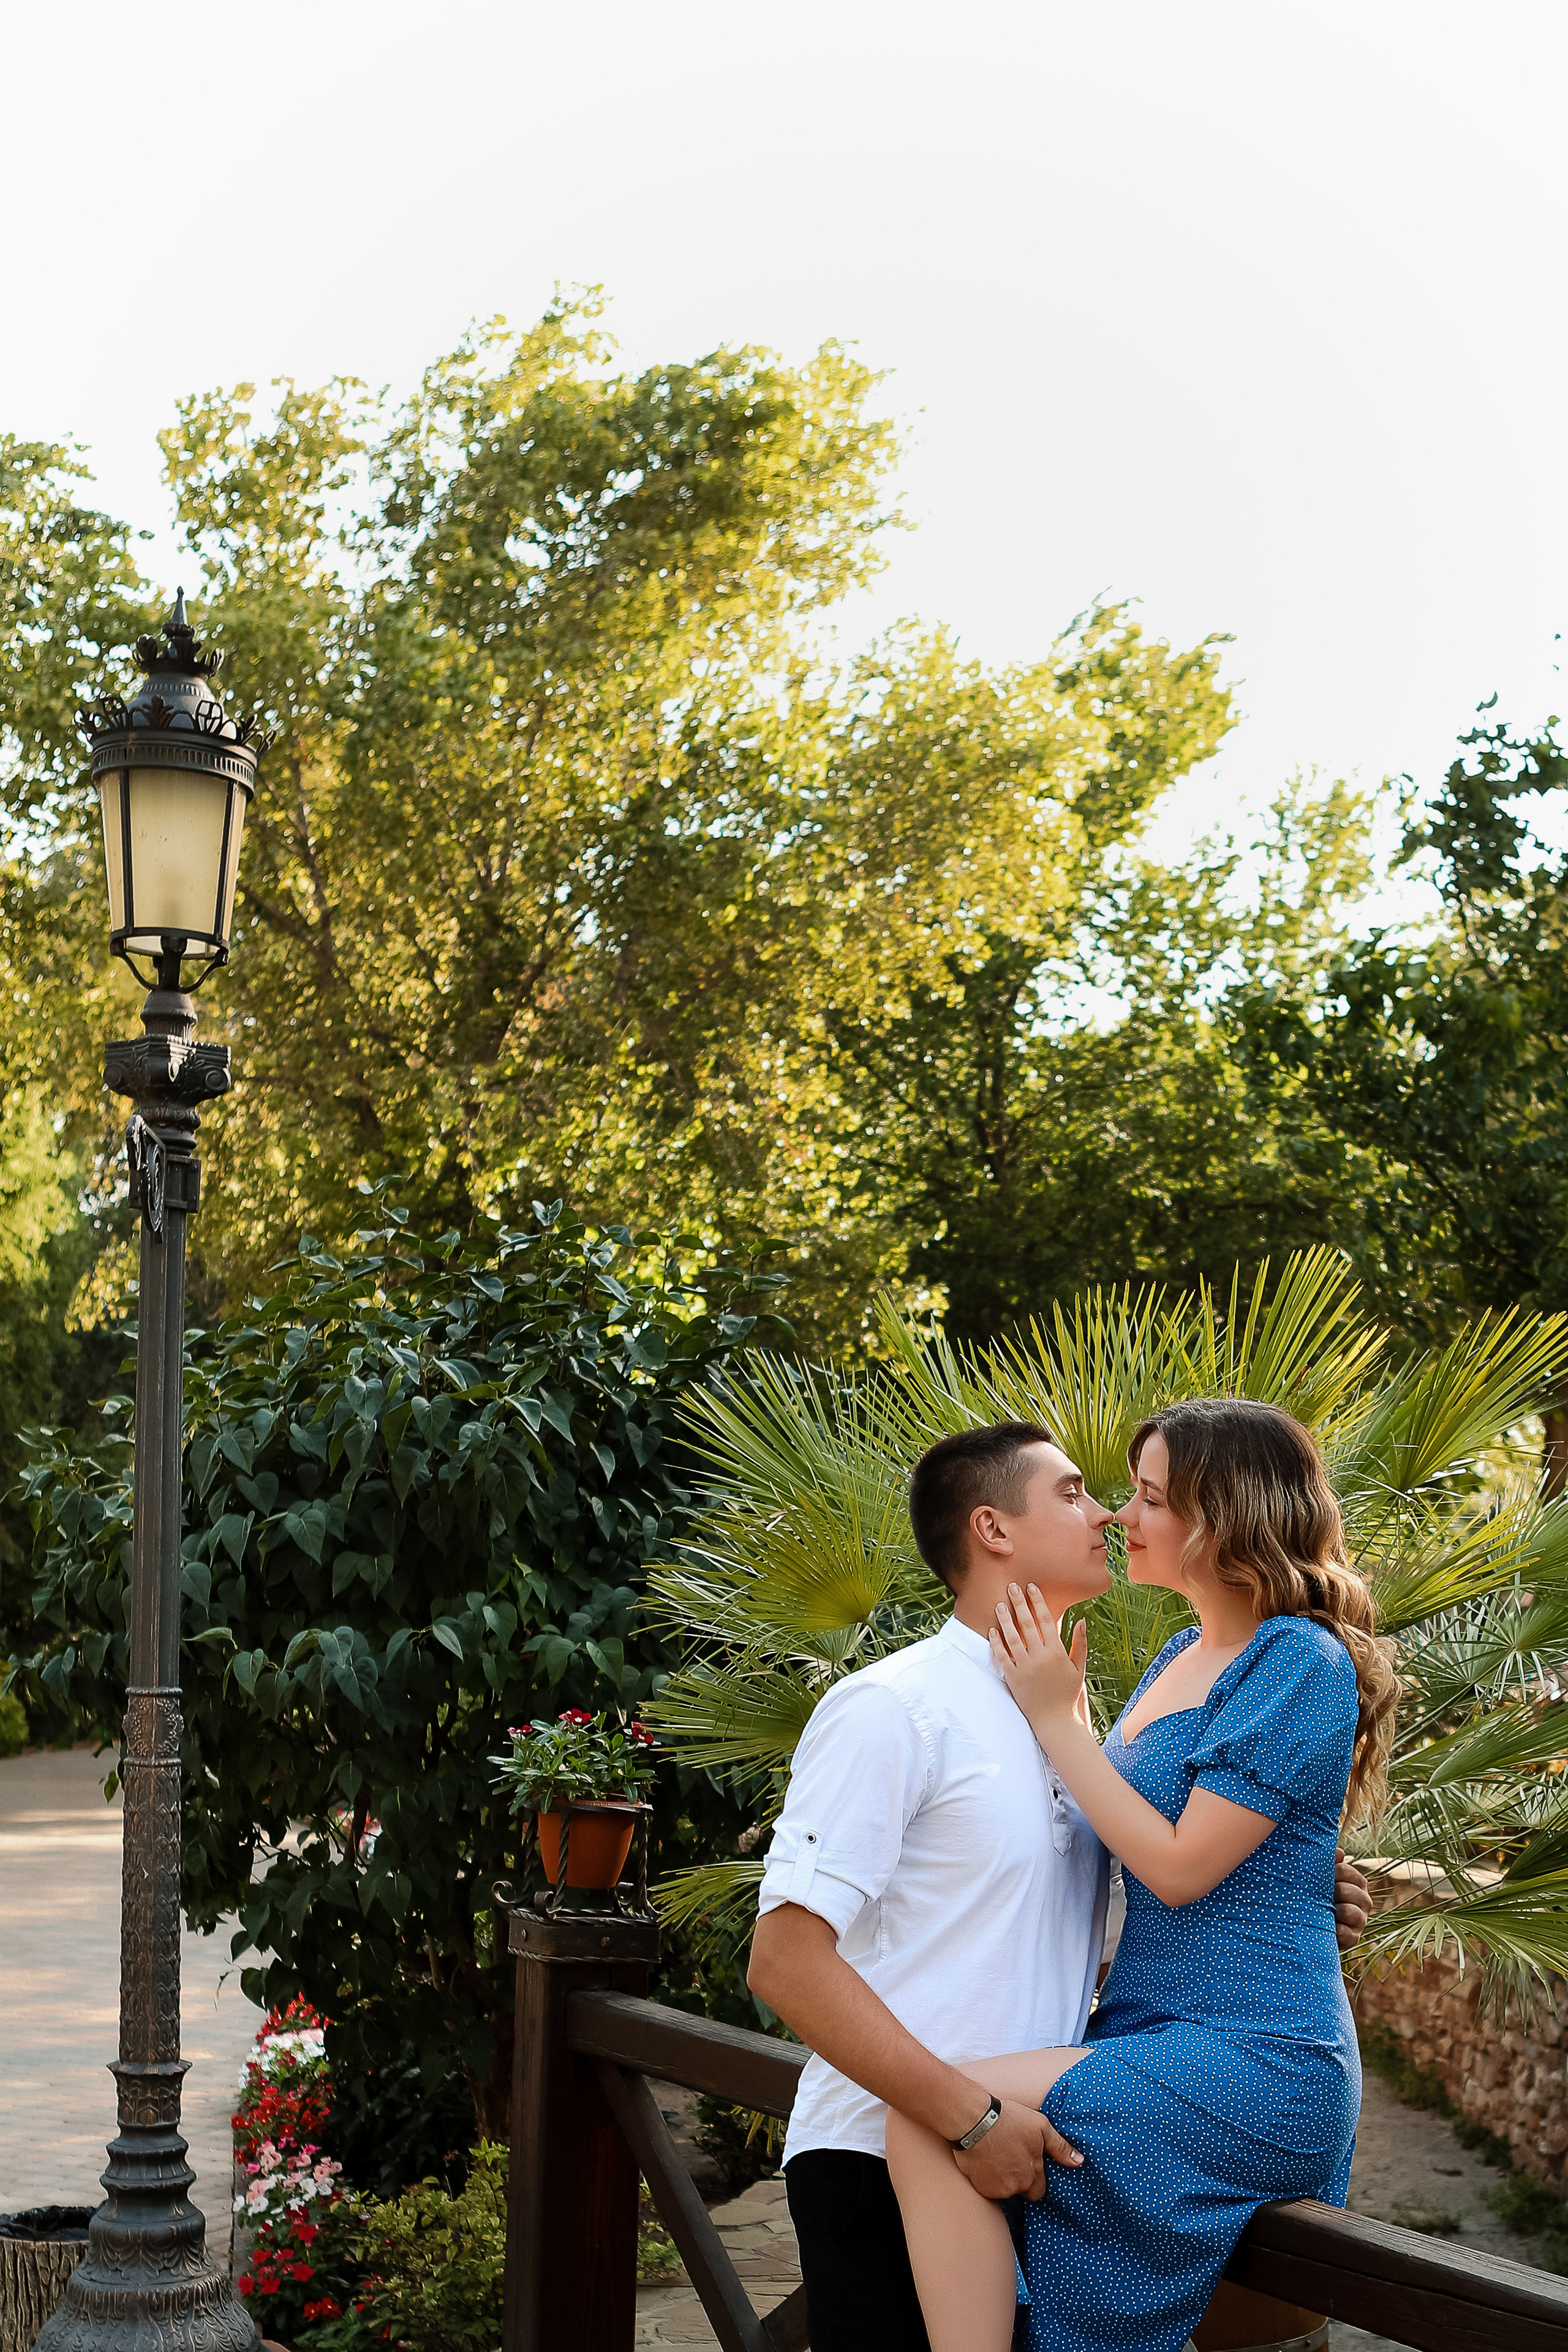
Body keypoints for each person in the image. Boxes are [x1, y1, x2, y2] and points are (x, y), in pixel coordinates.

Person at [748, 1418, 1374, 2352]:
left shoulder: (1071, 1699)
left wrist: (1297, 1877)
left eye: (1141, 1496)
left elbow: (1147, 1875)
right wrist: (967, 2116)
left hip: (1051, 2131)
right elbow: (784, 1961)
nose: (1113, 1514)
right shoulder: (899, 1706)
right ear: (995, 1530)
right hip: (899, 2143)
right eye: (1080, 1492)